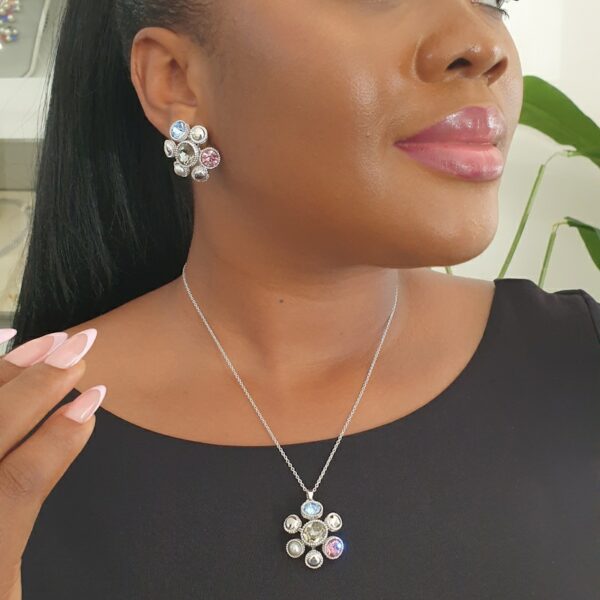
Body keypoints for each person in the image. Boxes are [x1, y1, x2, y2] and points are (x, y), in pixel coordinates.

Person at [0, 0, 598, 598]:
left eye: (492, 0)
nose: (483, 47)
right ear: (176, 80)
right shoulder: (22, 446)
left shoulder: (578, 367)